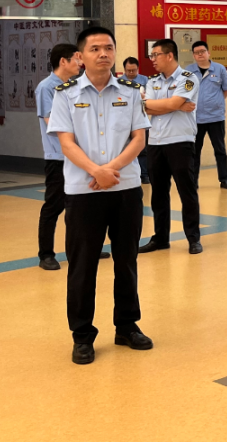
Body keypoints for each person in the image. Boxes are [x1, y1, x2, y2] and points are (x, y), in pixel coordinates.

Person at [47, 26, 152, 365]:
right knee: (83, 265)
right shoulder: (65, 94)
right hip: (83, 192)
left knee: (127, 261)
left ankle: (127, 326)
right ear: (81, 56)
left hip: (125, 189)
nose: (103, 53)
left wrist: (111, 170)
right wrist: (96, 171)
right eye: (95, 49)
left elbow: (139, 138)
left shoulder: (131, 92)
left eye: (108, 47)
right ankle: (82, 335)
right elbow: (66, 142)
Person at [35, 44, 110, 269]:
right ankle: (46, 254)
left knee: (83, 205)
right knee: (54, 206)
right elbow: (53, 123)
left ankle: (86, 248)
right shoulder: (47, 87)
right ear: (63, 61)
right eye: (77, 59)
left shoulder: (77, 87)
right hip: (59, 157)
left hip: (83, 157)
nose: (81, 63)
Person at [138, 40, 202, 255]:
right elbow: (144, 108)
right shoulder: (152, 81)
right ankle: (160, 238)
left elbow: (164, 104)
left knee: (187, 192)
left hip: (180, 141)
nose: (152, 60)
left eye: (155, 55)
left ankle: (193, 238)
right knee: (158, 194)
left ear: (169, 55)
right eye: (151, 55)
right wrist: (176, 106)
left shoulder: (188, 78)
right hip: (156, 142)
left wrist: (171, 105)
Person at [186, 40, 227, 189]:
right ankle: (193, 181)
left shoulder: (219, 69)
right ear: (193, 55)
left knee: (220, 150)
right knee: (195, 151)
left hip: (216, 117)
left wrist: (216, 103)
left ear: (208, 53)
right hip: (196, 118)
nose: (200, 54)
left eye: (202, 51)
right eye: (197, 52)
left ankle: (224, 179)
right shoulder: (188, 71)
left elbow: (226, 90)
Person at [123, 57, 151, 184]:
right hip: (124, 120)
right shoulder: (118, 82)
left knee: (143, 149)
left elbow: (150, 97)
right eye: (128, 70)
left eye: (133, 70)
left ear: (138, 69)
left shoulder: (145, 80)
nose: (131, 73)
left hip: (141, 118)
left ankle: (144, 174)